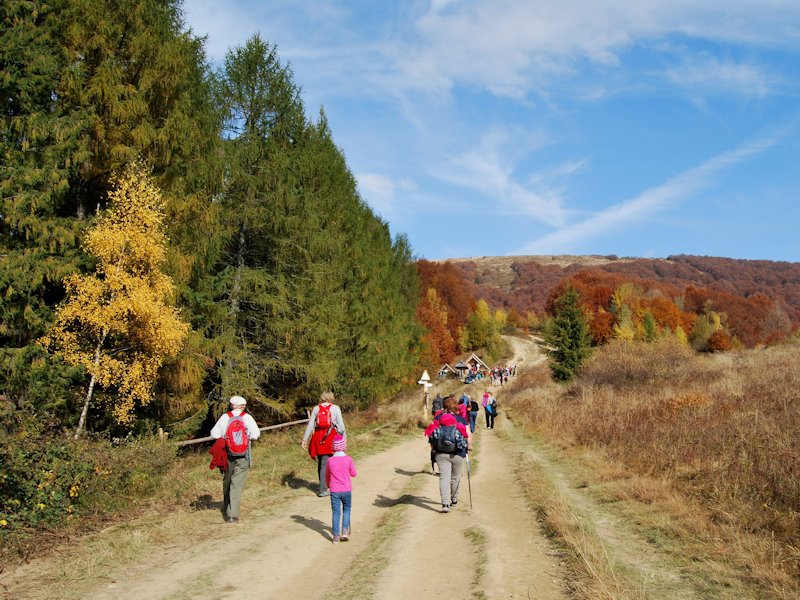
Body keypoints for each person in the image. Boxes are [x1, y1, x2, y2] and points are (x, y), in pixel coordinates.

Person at [210, 395, 261, 524]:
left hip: (227, 454)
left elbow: (214, 434)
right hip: (243, 455)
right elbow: (255, 435)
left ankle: (226, 506)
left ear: (232, 405)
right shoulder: (247, 418)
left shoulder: (225, 417)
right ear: (243, 406)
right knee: (236, 483)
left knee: (227, 481)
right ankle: (232, 515)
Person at [424, 396, 471, 513]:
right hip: (458, 453)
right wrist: (469, 446)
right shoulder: (461, 419)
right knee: (455, 477)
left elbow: (431, 436)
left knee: (444, 478)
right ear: (456, 407)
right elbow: (468, 435)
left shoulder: (437, 418)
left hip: (441, 453)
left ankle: (445, 504)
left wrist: (434, 449)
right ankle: (454, 498)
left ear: (443, 407)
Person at [301, 391, 346, 497]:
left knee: (322, 461)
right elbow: (342, 427)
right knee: (326, 463)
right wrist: (343, 439)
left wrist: (304, 440)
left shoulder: (316, 408)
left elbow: (310, 425)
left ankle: (323, 485)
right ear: (331, 397)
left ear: (322, 397)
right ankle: (323, 489)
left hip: (317, 437)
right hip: (329, 437)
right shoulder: (335, 408)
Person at [326, 434, 357, 544]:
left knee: (336, 512)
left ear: (333, 447)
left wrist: (328, 485)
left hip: (334, 490)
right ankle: (344, 530)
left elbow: (327, 476)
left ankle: (335, 536)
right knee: (347, 509)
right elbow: (354, 474)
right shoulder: (348, 459)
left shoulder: (330, 461)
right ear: (344, 446)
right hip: (346, 489)